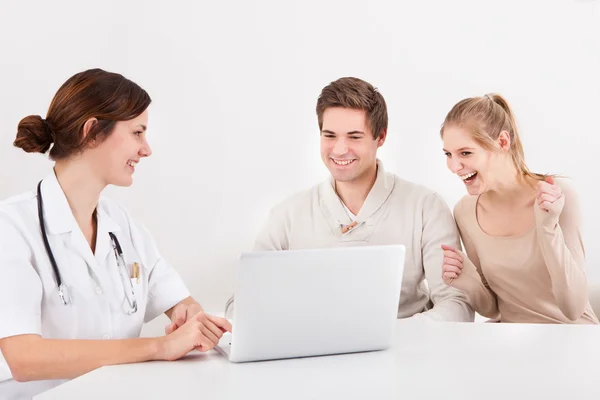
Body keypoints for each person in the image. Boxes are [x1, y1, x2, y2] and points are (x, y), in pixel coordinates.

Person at [0, 68, 232, 399]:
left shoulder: (121, 226)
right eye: (137, 133)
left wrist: (194, 321)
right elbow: (24, 358)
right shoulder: (11, 227)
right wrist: (159, 346)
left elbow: (178, 301)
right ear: (92, 131)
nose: (146, 149)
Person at [226, 77, 473, 322]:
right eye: (330, 135)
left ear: (381, 137)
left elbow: (456, 303)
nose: (340, 149)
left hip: (405, 352)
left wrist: (390, 335)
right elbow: (241, 303)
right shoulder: (288, 214)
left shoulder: (425, 206)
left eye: (354, 137)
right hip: (311, 351)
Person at [440, 93, 598, 324]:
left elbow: (573, 307)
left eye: (465, 153)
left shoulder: (557, 195)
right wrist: (466, 279)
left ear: (503, 142)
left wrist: (548, 227)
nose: (454, 166)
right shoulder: (465, 211)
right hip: (512, 342)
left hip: (571, 337)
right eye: (448, 154)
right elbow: (492, 309)